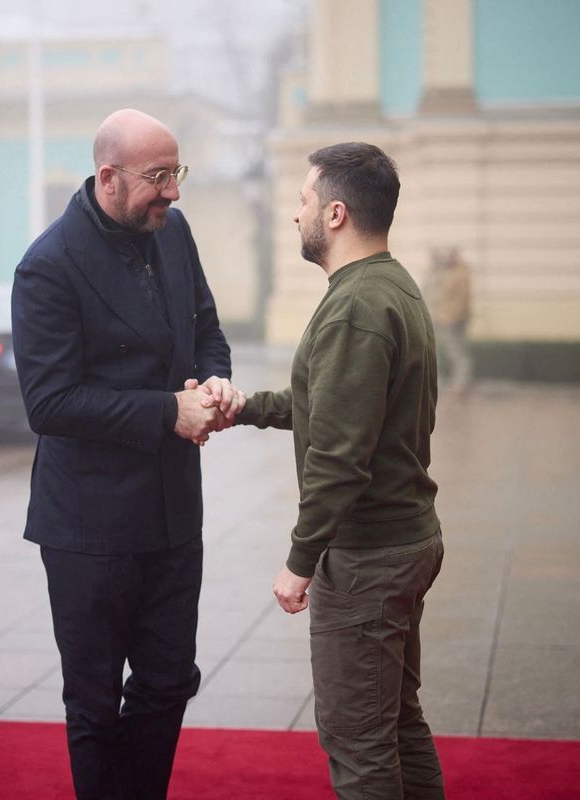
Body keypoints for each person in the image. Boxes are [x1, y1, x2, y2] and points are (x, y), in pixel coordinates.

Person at [11, 108, 244, 800]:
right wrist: (168, 411)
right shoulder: (47, 267)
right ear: (108, 177)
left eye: (178, 174)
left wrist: (216, 377)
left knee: (171, 679)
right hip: (90, 527)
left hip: (175, 512)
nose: (173, 192)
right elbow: (49, 405)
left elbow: (207, 328)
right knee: (92, 701)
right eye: (159, 177)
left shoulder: (174, 234)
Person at [234, 143, 445, 799]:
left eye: (301, 202)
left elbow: (339, 456)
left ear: (334, 212)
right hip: (400, 542)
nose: (293, 215)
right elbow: (334, 410)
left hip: (368, 557)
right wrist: (245, 407)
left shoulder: (356, 306)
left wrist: (301, 560)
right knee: (395, 728)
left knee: (359, 746)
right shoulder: (389, 285)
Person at [425, 247, 472, 395]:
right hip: (437, 318)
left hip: (452, 320)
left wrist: (452, 317)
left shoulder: (460, 273)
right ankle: (440, 381)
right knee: (437, 351)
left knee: (456, 351)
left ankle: (461, 384)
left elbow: (461, 299)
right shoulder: (437, 273)